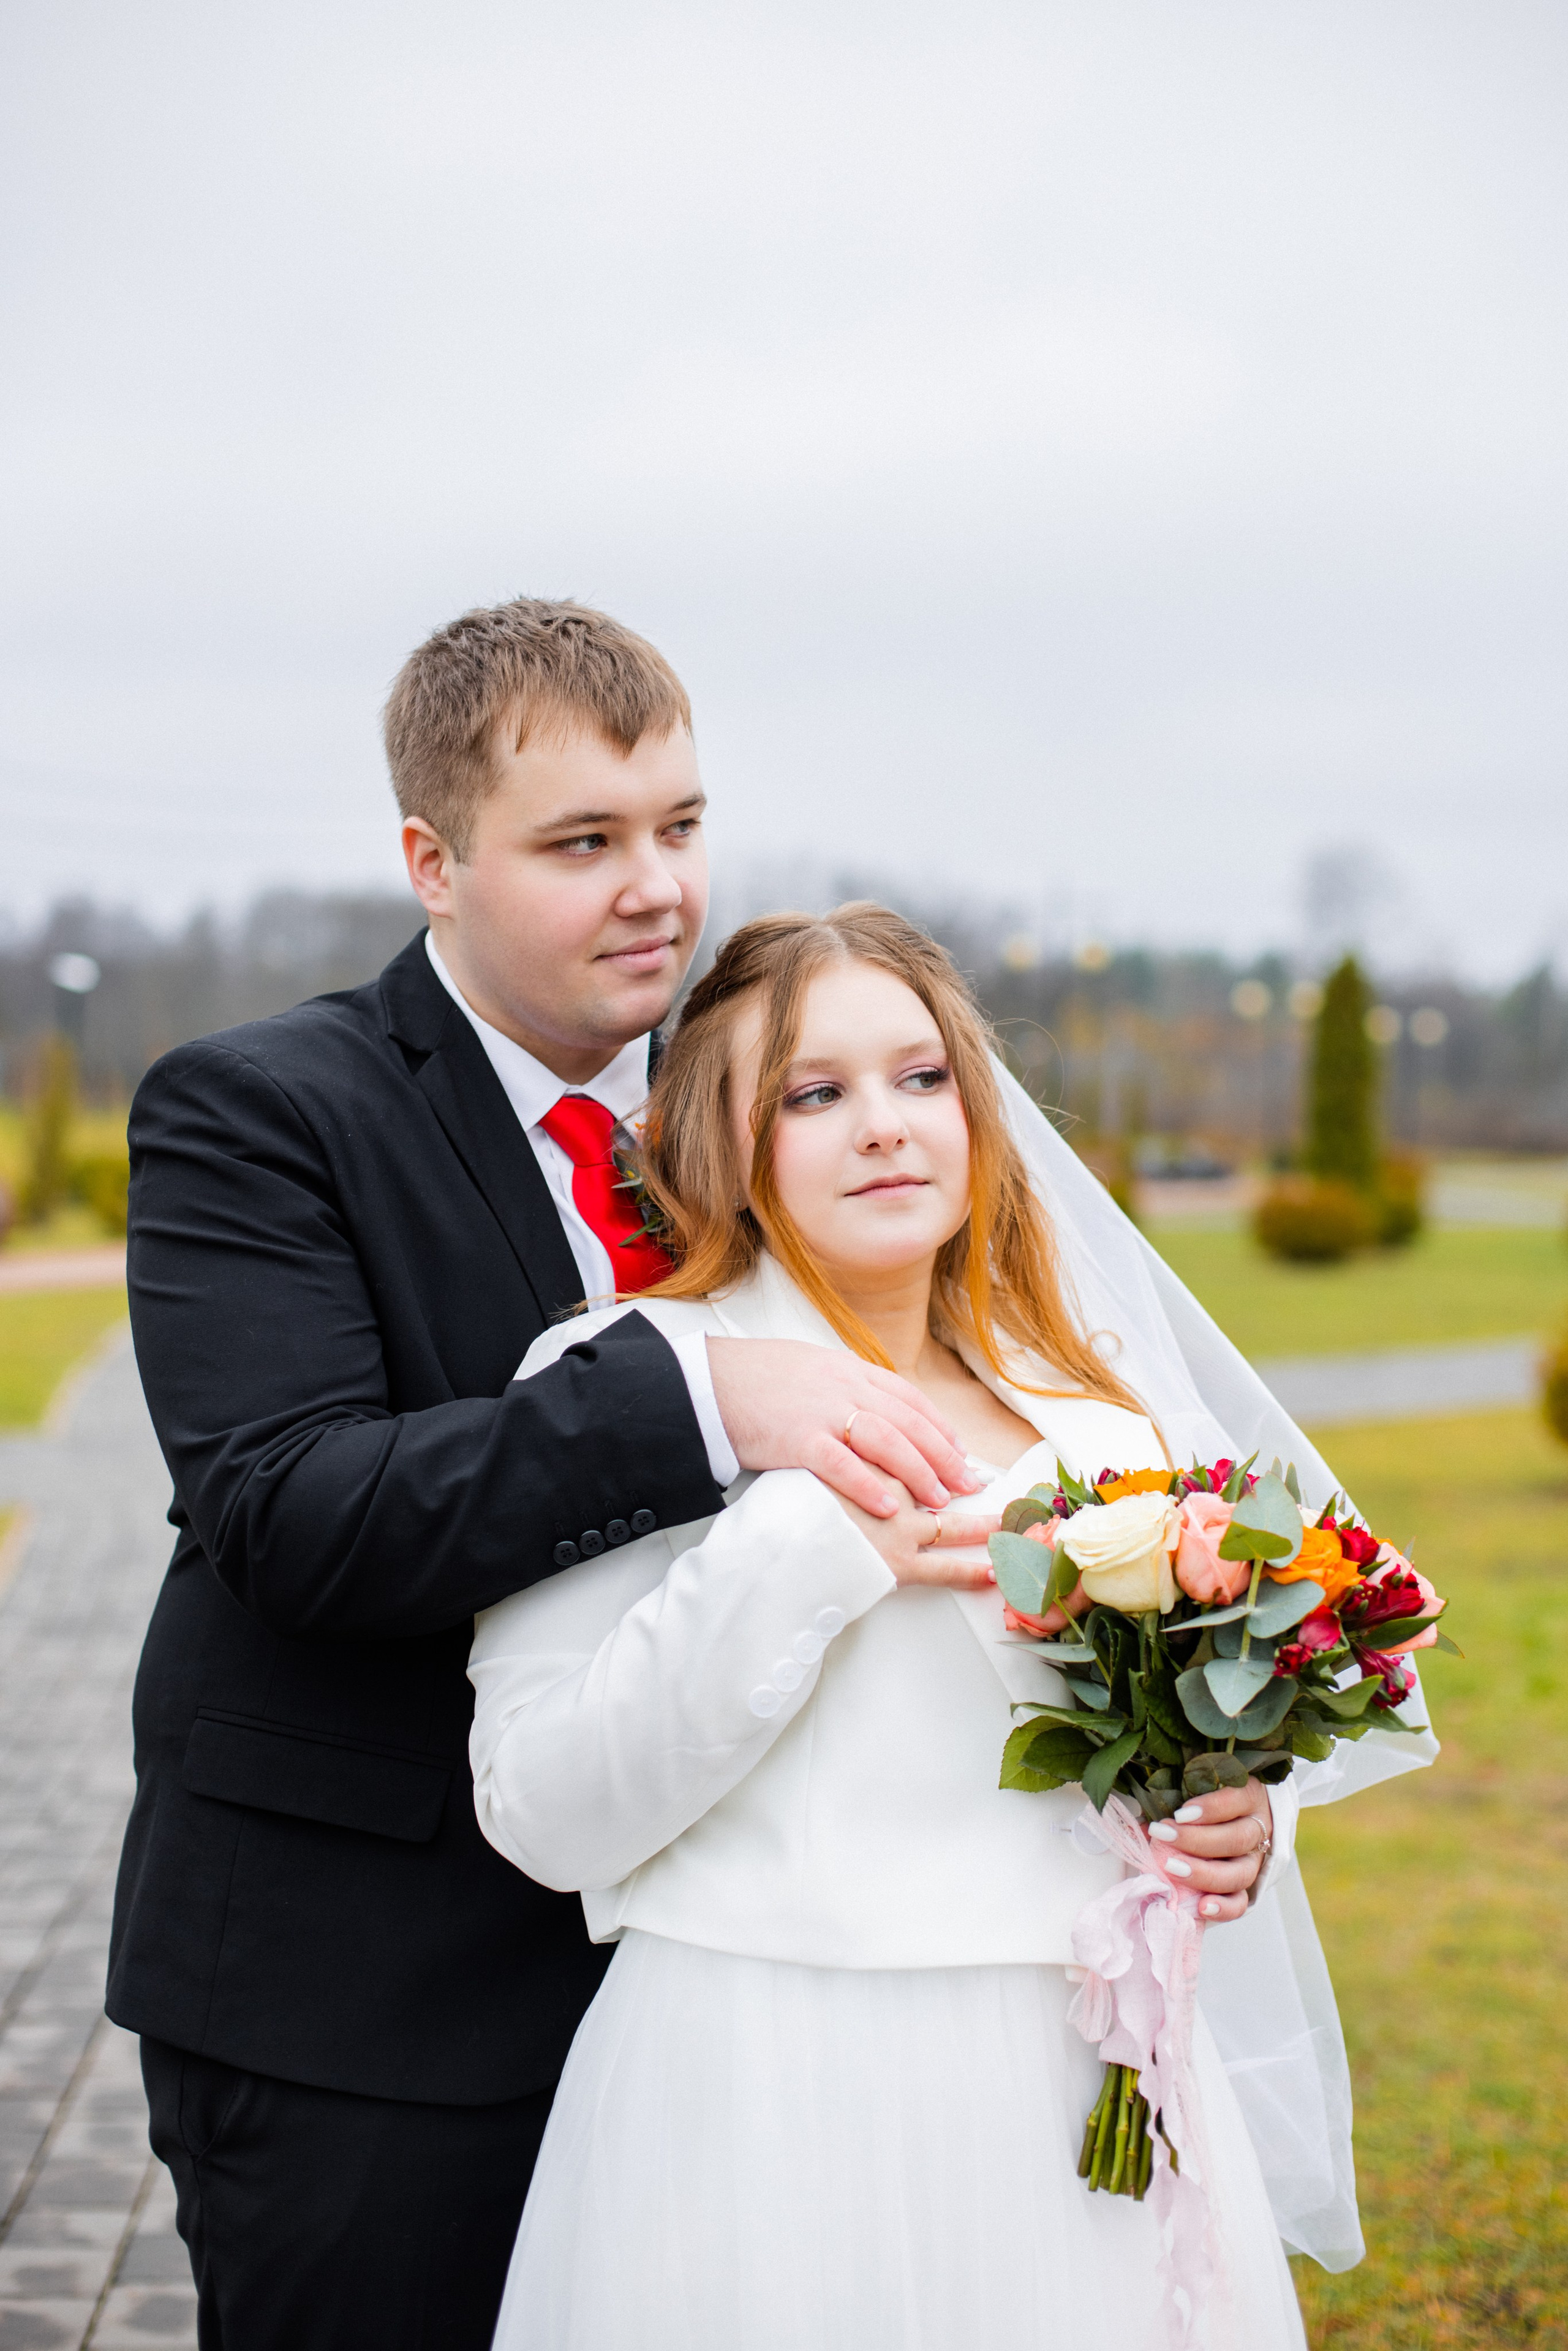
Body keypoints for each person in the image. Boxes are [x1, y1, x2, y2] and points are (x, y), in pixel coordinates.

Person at [107, 603, 987, 2351]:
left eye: (677, 823)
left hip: (715, 2003)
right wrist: (705, 1389)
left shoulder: (753, 1118)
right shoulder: (257, 1109)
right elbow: (289, 1507)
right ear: (433, 860)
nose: (655, 884)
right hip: (362, 1999)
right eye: (583, 841)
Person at [470, 903, 1438, 2351]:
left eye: (921, 1078)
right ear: (715, 1139)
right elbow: (543, 1809)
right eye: (814, 1092)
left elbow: (1171, 1738)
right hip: (765, 2086)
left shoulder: (1092, 1404)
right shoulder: (625, 1381)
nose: (884, 1125)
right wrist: (812, 1539)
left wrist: (1237, 1811)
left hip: (1085, 2091)